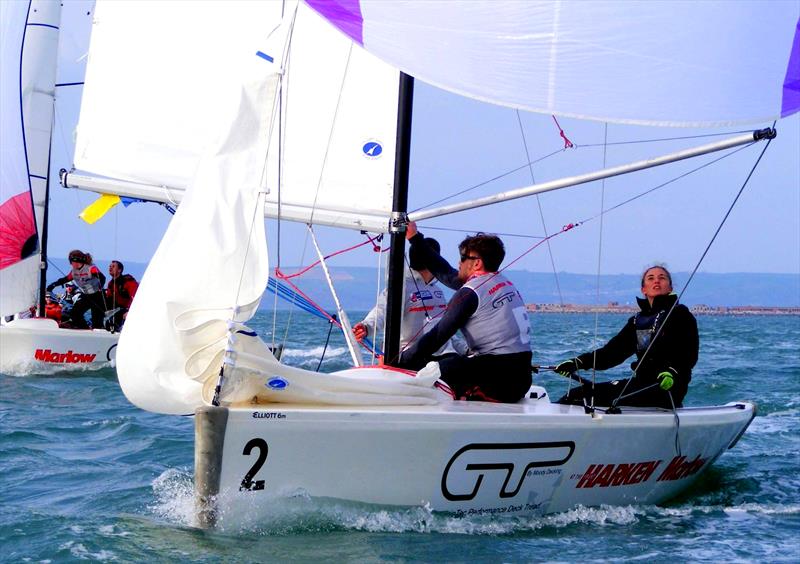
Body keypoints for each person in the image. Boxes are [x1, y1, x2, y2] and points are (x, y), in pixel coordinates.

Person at [398, 221, 532, 403]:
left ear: (476, 263)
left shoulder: (470, 293)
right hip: (521, 378)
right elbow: (446, 273)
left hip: (497, 382)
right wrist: (415, 238)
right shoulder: (500, 281)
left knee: (439, 368)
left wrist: (398, 362)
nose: (458, 262)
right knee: (452, 360)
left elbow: (437, 336)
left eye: (462, 258)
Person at [554, 265, 698, 409]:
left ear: (670, 287)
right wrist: (578, 362)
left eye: (662, 278)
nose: (657, 281)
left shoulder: (680, 314)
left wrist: (672, 372)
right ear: (644, 289)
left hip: (667, 388)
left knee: (583, 399)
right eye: (651, 278)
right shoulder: (637, 321)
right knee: (575, 396)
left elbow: (689, 354)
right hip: (640, 384)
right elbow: (612, 353)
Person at [352, 238, 464, 360]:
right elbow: (382, 310)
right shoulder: (401, 286)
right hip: (408, 356)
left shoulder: (437, 290)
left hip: (441, 354)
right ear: (435, 259)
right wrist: (366, 327)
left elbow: (442, 328)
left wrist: (465, 349)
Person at [46, 250, 106, 329]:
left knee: (97, 321)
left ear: (75, 261)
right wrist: (53, 285)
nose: (70, 264)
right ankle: (85, 329)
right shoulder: (74, 272)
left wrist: (100, 286)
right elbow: (64, 279)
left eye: (70, 261)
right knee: (74, 314)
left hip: (98, 296)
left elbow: (102, 278)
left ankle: (98, 332)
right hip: (86, 296)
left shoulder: (91, 268)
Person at [105, 260, 139, 330]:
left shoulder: (128, 282)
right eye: (110, 266)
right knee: (109, 325)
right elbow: (108, 299)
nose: (110, 268)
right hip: (119, 309)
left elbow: (136, 299)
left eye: (113, 266)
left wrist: (130, 311)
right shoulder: (111, 284)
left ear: (119, 270)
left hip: (130, 310)